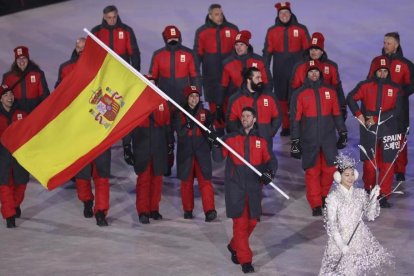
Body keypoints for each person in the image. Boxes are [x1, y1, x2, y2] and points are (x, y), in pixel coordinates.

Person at [212, 106, 277, 274]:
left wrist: (269, 172)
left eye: (248, 116)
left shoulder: (261, 141)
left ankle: (234, 246)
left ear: (254, 119)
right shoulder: (231, 139)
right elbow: (218, 158)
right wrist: (215, 143)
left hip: (254, 188)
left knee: (252, 222)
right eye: (243, 116)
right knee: (240, 225)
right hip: (236, 189)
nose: (245, 118)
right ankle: (245, 260)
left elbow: (271, 161)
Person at [319, 153, 393, 275]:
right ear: (338, 177)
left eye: (352, 174)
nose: (350, 178)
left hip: (358, 240)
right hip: (340, 241)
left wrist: (373, 198)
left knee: (356, 271)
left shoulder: (360, 193)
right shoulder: (333, 197)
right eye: (346, 175)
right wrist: (341, 245)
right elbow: (332, 224)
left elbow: (370, 215)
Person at [290, 59, 347, 216]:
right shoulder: (299, 94)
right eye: (311, 72)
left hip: (328, 138)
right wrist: (295, 140)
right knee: (312, 172)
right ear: (306, 74)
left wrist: (342, 131)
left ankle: (323, 196)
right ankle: (315, 203)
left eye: (316, 72)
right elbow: (295, 119)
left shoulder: (330, 91)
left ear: (320, 73)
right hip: (309, 139)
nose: (314, 74)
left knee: (330, 169)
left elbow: (336, 113)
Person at [347, 55, 404, 208]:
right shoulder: (365, 85)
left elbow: (397, 110)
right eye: (380, 71)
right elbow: (350, 98)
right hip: (369, 129)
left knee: (388, 163)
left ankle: (384, 195)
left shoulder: (395, 88)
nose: (383, 74)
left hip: (389, 129)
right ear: (375, 71)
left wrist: (377, 119)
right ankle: (369, 191)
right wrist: (359, 115)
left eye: (385, 71)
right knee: (369, 163)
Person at [123, 75, 173, 224]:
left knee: (157, 179)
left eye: (153, 83)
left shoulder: (162, 102)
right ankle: (143, 211)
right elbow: (128, 127)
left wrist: (171, 144)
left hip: (159, 148)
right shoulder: (135, 103)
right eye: (148, 83)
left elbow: (167, 126)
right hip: (142, 147)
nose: (151, 86)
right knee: (144, 180)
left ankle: (154, 209)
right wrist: (127, 146)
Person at [367, 32, 414, 182]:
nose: (385, 46)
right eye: (384, 43)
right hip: (380, 107)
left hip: (399, 109)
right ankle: (382, 166)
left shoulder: (406, 64)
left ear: (396, 45)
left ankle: (400, 170)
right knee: (381, 137)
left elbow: (411, 85)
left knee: (399, 138)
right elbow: (369, 81)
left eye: (389, 43)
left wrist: (398, 96)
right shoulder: (376, 62)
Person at [262, 1, 310, 136]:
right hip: (280, 69)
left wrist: (310, 68)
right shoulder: (272, 31)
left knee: (298, 97)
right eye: (281, 13)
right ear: (278, 15)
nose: (284, 15)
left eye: (286, 13)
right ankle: (286, 126)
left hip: (298, 70)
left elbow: (308, 50)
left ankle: (300, 124)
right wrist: (263, 68)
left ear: (291, 13)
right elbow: (267, 51)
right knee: (282, 98)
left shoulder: (301, 29)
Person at [194, 3, 239, 134]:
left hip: (230, 76)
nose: (219, 17)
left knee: (230, 103)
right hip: (211, 76)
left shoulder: (233, 29)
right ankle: (218, 133)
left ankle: (232, 132)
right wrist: (196, 75)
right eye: (216, 14)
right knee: (215, 105)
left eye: (221, 13)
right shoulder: (202, 32)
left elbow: (241, 50)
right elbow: (197, 54)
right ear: (210, 15)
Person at [174, 86, 217, 221]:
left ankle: (209, 210)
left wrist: (212, 137)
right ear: (187, 98)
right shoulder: (179, 113)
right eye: (191, 97)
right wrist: (187, 125)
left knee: (205, 181)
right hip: (186, 152)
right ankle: (188, 209)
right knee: (186, 182)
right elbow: (180, 133)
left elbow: (211, 130)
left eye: (196, 96)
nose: (194, 99)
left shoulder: (205, 113)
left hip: (202, 151)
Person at [220, 30, 273, 125]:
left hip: (256, 101)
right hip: (237, 103)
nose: (238, 48)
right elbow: (223, 86)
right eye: (236, 45)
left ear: (247, 46)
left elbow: (267, 82)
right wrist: (219, 105)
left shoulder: (259, 61)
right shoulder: (227, 63)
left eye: (241, 44)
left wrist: (265, 101)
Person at [290, 32, 347, 121]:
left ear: (322, 51)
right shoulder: (299, 66)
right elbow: (294, 89)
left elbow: (337, 87)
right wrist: (292, 107)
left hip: (326, 108)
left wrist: (342, 106)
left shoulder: (331, 66)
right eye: (311, 49)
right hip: (306, 108)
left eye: (316, 49)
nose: (313, 52)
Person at [226, 67, 281, 152]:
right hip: (245, 145)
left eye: (261, 77)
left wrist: (270, 133)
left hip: (266, 143)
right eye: (257, 78)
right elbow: (231, 121)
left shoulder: (270, 97)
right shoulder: (235, 99)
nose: (261, 80)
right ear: (248, 80)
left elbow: (277, 117)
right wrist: (241, 134)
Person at [149, 25, 201, 106]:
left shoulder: (189, 54)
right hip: (164, 96)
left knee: (183, 118)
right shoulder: (158, 55)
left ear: (179, 37)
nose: (173, 40)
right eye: (170, 38)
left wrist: (197, 96)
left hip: (184, 96)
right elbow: (152, 77)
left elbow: (195, 77)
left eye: (175, 38)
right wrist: (151, 95)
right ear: (165, 39)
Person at [0, 84, 28, 228]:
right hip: (3, 157)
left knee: (21, 184)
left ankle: (14, 205)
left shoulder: (22, 113)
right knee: (5, 186)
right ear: (0, 99)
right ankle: (9, 215)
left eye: (11, 94)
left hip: (20, 156)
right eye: (5, 95)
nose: (9, 98)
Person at [2, 46, 50, 114]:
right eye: (19, 59)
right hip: (15, 116)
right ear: (16, 61)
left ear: (28, 59)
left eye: (24, 58)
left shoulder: (38, 74)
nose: (21, 61)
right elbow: (3, 99)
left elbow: (45, 96)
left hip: (35, 113)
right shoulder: (8, 77)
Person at [92, 5, 140, 71]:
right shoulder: (96, 31)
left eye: (114, 17)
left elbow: (134, 52)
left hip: (122, 69)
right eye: (109, 17)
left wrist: (136, 70)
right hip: (103, 69)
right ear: (104, 17)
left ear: (117, 15)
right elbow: (91, 53)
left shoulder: (126, 30)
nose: (112, 20)